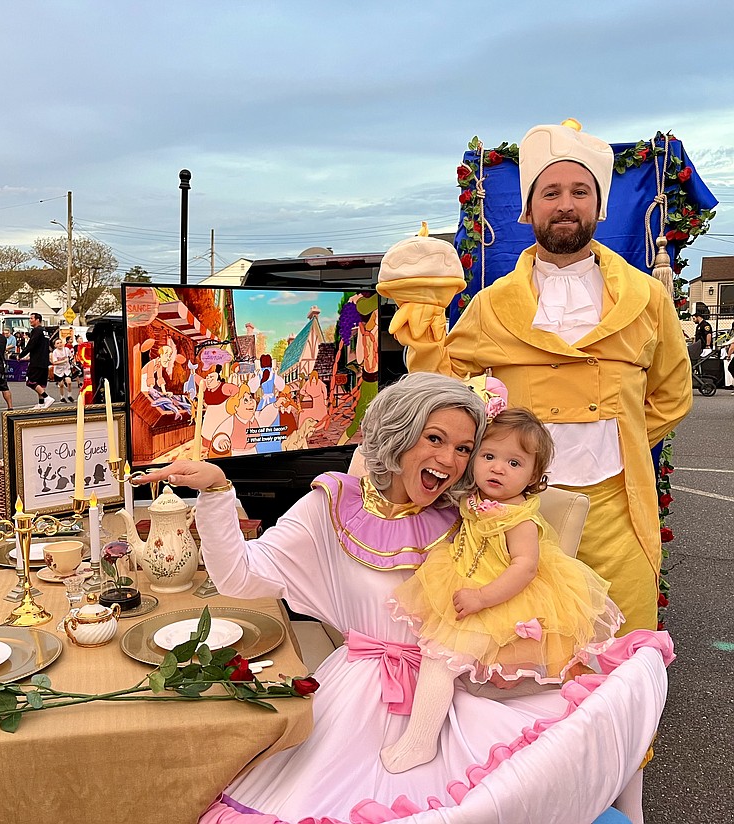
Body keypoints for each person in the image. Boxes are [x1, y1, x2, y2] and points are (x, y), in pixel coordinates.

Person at [135, 373, 663, 824]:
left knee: (585, 731)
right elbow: (241, 579)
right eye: (434, 439)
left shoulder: (471, 514)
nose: (450, 460)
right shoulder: (332, 506)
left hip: (454, 689)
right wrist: (217, 493)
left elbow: (520, 589)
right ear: (399, 434)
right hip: (361, 696)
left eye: (463, 448)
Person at [380, 121, 693, 635]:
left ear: (600, 206)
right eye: (551, 192)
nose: (565, 204)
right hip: (517, 511)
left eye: (579, 191)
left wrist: (625, 438)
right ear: (529, 209)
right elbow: (444, 390)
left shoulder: (647, 298)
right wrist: (423, 328)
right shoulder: (493, 304)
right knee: (524, 646)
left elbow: (672, 394)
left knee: (624, 643)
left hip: (614, 503)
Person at [382, 403, 623, 774]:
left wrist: (482, 597)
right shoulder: (477, 500)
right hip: (464, 577)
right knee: (439, 655)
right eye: (489, 455)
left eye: (514, 463)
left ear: (532, 477)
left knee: (440, 660)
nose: (497, 467)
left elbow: (524, 568)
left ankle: (420, 742)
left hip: (500, 596)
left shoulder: (520, 518)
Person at [18, 312, 54, 409]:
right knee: (41, 383)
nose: (30, 320)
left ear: (37, 320)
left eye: (31, 318)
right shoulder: (45, 331)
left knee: (30, 381)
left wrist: (21, 355)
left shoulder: (36, 331)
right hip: (44, 361)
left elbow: (31, 344)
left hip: (37, 361)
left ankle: (47, 397)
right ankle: (41, 403)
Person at [50, 338, 74, 402]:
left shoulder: (66, 349)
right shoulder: (55, 352)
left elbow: (71, 356)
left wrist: (72, 360)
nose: (60, 344)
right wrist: (63, 361)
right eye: (57, 343)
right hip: (58, 370)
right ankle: (62, 397)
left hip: (66, 369)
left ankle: (69, 395)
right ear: (55, 345)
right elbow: (54, 362)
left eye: (60, 342)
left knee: (69, 382)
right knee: (61, 385)